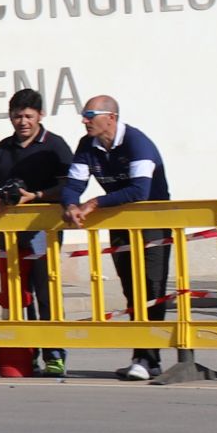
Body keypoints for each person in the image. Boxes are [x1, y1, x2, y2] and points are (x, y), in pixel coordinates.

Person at [64, 96, 176, 380]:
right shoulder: (87, 145)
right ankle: (142, 358)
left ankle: (149, 358)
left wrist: (95, 203)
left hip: (153, 226)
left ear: (110, 117)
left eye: (90, 114)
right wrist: (71, 205)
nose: (84, 120)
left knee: (152, 291)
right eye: (84, 115)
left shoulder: (137, 143)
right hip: (120, 223)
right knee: (131, 290)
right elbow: (73, 183)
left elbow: (140, 191)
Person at [0, 87, 73, 375]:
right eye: (17, 116)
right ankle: (26, 353)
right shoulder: (3, 147)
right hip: (8, 233)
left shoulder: (55, 146)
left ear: (41, 115)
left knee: (46, 294)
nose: (23, 122)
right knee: (18, 296)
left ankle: (54, 355)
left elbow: (69, 187)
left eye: (28, 116)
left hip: (42, 231)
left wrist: (35, 195)